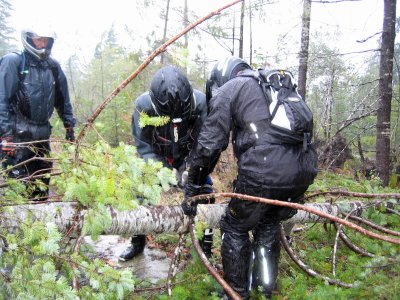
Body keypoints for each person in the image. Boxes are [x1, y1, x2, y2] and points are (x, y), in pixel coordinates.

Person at [181, 57, 317, 299]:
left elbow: (210, 145)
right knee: (267, 225)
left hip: (263, 173)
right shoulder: (273, 86)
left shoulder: (233, 87)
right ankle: (265, 289)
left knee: (234, 227)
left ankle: (237, 293)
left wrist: (193, 186)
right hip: (300, 174)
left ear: (221, 78)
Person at [119, 65, 213, 261]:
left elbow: (203, 143)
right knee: (141, 194)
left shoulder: (200, 103)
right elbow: (144, 147)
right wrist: (168, 174)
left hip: (189, 156)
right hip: (157, 158)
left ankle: (206, 249)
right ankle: (137, 242)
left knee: (207, 193)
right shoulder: (143, 107)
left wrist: (189, 170)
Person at [0, 28, 76, 200]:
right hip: (17, 137)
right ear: (28, 39)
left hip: (42, 135)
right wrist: (5, 136)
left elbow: (63, 99)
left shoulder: (53, 66)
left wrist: (69, 125)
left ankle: (42, 221)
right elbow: (2, 99)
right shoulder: (14, 62)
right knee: (18, 190)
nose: (42, 44)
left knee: (42, 185)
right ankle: (19, 225)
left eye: (46, 40)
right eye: (38, 40)